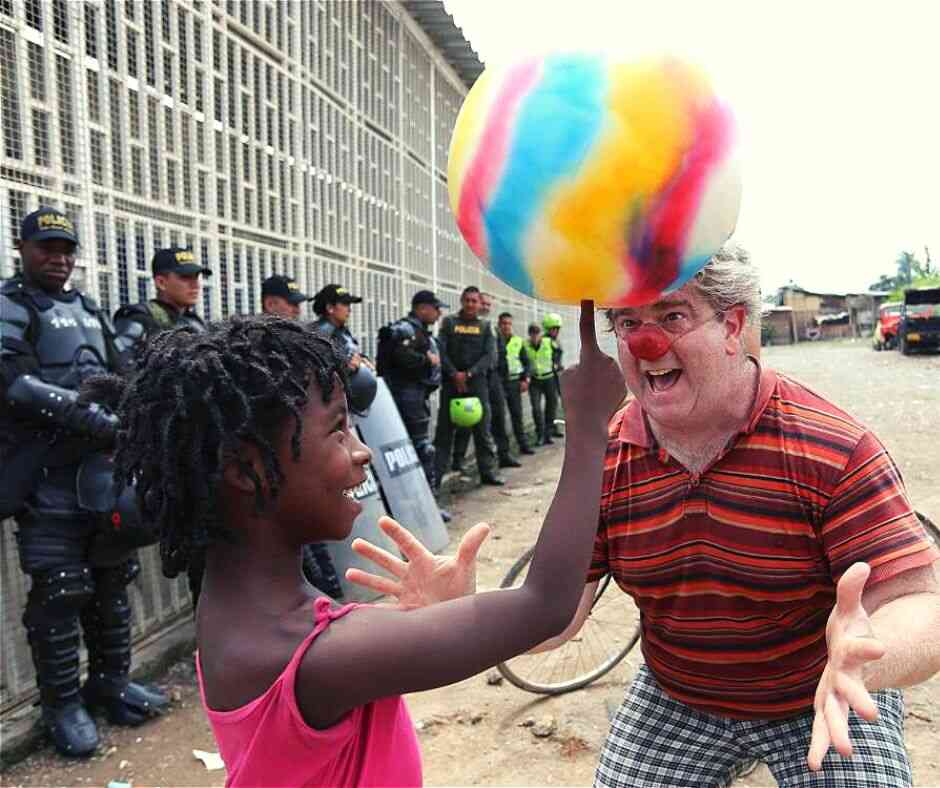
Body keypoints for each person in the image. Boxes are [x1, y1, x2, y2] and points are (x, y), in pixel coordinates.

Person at [356, 247, 940, 788]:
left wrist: (872, 646)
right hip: (680, 696)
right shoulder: (604, 458)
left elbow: (920, 603)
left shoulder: (832, 448)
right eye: (628, 324)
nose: (643, 345)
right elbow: (558, 619)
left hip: (817, 692)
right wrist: (467, 613)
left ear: (733, 327)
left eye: (673, 317)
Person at [98, 308, 624, 786]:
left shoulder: (237, 607)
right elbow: (547, 605)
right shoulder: (318, 654)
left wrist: (434, 617)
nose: (363, 452)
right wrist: (588, 429)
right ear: (245, 470)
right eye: (337, 431)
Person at [0, 208, 166, 757]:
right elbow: (17, 384)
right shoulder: (11, 304)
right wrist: (89, 418)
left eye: (67, 248)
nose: (59, 257)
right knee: (61, 591)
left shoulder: (90, 308)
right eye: (47, 247)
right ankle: (62, 705)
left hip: (100, 475)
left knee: (112, 583)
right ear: (22, 248)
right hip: (45, 474)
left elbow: (119, 374)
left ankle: (111, 682)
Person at [261, 275, 342, 598]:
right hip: (274, 465)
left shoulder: (293, 340)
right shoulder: (254, 343)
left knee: (312, 546)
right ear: (270, 304)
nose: (297, 309)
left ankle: (328, 601)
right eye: (290, 303)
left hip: (300, 458)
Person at [378, 289, 452, 521]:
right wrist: (426, 360)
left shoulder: (421, 332)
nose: (439, 313)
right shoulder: (404, 330)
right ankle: (422, 509)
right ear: (421, 308)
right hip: (405, 400)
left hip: (416, 398)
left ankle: (422, 507)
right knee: (417, 452)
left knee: (417, 453)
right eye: (435, 308)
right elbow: (401, 359)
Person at [433, 286, 503, 488]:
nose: (471, 304)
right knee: (444, 432)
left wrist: (469, 374)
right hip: (451, 383)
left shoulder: (485, 326)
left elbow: (490, 356)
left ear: (480, 304)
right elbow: (441, 351)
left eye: (475, 301)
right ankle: (436, 478)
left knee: (483, 431)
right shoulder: (449, 323)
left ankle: (488, 473)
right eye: (468, 300)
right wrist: (454, 374)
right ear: (462, 301)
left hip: (477, 383)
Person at [452, 293, 518, 472]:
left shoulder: (493, 329)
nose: (486, 307)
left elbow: (501, 355)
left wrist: (502, 379)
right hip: (475, 378)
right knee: (467, 418)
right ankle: (458, 459)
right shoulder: (467, 326)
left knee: (498, 417)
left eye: (489, 305)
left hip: (494, 378)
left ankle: (503, 455)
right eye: (484, 304)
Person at [112, 247, 211, 364]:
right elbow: (122, 368)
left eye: (196, 277)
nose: (195, 285)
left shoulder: (195, 321)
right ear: (161, 282)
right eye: (186, 277)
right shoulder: (138, 318)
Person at [311, 283, 377, 414]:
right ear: (330, 308)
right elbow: (317, 372)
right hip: (330, 411)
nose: (349, 309)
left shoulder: (341, 331)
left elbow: (351, 354)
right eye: (345, 304)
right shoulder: (320, 334)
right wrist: (346, 367)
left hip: (347, 408)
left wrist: (364, 360)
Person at [496, 312, 535, 457]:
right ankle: (503, 452)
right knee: (499, 418)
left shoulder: (518, 341)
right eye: (503, 324)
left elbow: (527, 363)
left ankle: (523, 445)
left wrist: (525, 379)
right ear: (499, 325)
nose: (506, 326)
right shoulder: (494, 340)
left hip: (514, 382)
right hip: (499, 383)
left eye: (508, 324)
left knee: (517, 416)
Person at [525, 320, 560, 445]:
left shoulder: (548, 342)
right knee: (536, 408)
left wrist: (556, 363)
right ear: (529, 335)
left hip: (549, 379)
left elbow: (558, 351)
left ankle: (548, 434)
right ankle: (540, 435)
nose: (535, 336)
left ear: (540, 334)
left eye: (537, 333)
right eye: (532, 333)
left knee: (551, 407)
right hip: (535, 381)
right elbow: (524, 361)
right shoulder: (525, 345)